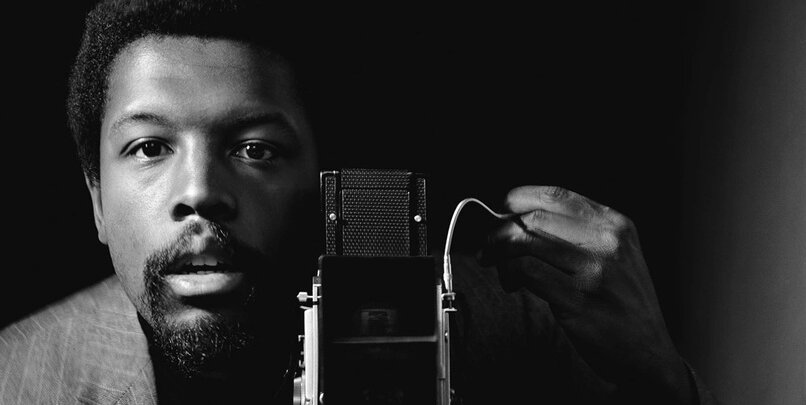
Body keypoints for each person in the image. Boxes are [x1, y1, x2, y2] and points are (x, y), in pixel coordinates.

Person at [0, 1, 718, 404]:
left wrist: (656, 373)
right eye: (150, 147)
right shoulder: (18, 379)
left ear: (327, 184)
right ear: (96, 200)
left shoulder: (510, 330)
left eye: (255, 149)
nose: (200, 194)